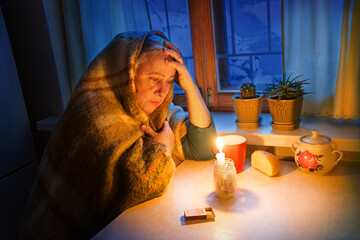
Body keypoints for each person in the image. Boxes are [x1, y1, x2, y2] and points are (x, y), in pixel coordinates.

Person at [19, 31, 216, 239]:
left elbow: (203, 146)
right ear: (127, 76)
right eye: (154, 79)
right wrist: (164, 149)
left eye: (168, 81)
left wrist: (189, 85)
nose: (162, 91)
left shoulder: (154, 112)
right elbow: (136, 192)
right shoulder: (94, 120)